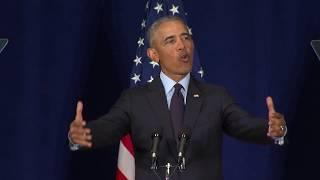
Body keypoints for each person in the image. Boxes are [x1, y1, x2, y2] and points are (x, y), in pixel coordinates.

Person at [68, 16, 286, 180]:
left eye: (186, 37)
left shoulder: (216, 97)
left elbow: (245, 125)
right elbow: (108, 128)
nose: (182, 46)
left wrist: (273, 129)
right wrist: (82, 134)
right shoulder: (135, 99)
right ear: (153, 55)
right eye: (170, 41)